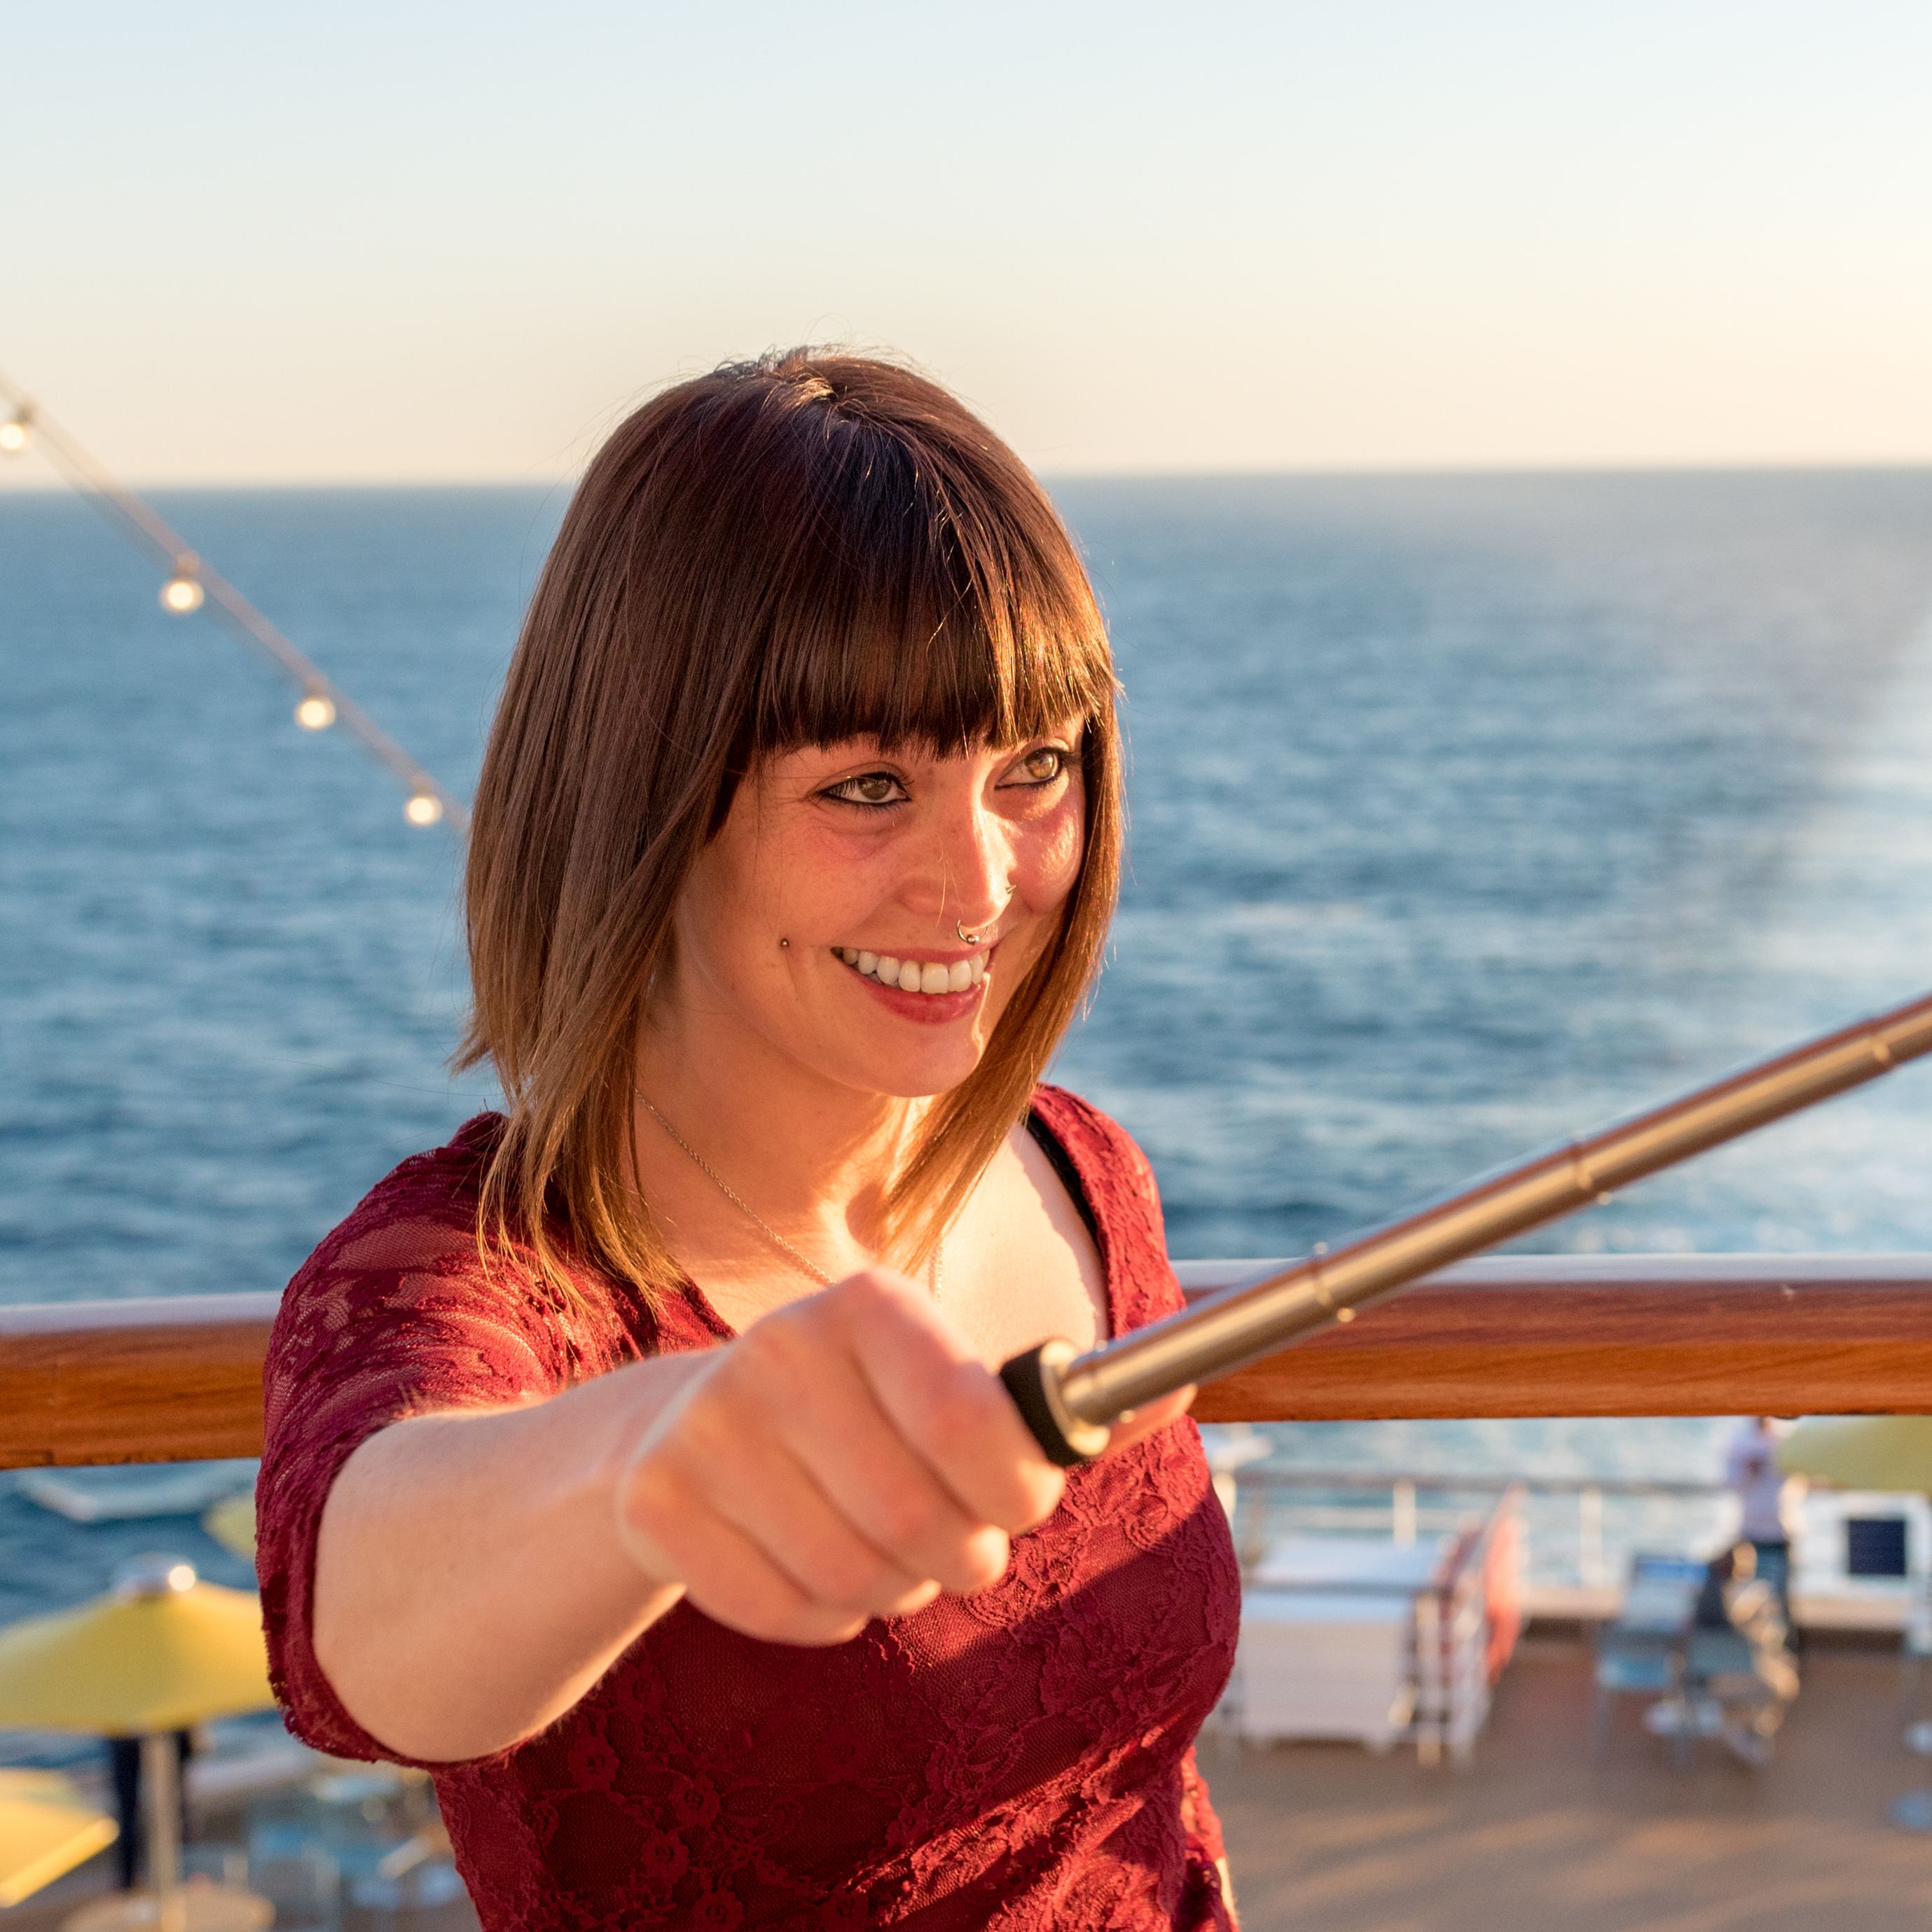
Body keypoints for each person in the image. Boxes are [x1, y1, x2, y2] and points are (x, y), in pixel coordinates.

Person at [257, 350, 1241, 1931]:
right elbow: (369, 1618)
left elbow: (1145, 1801)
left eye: (1032, 768)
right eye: (867, 784)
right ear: (643, 794)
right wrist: (661, 1447)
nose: (981, 883)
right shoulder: (486, 1277)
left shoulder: (1079, 1172)